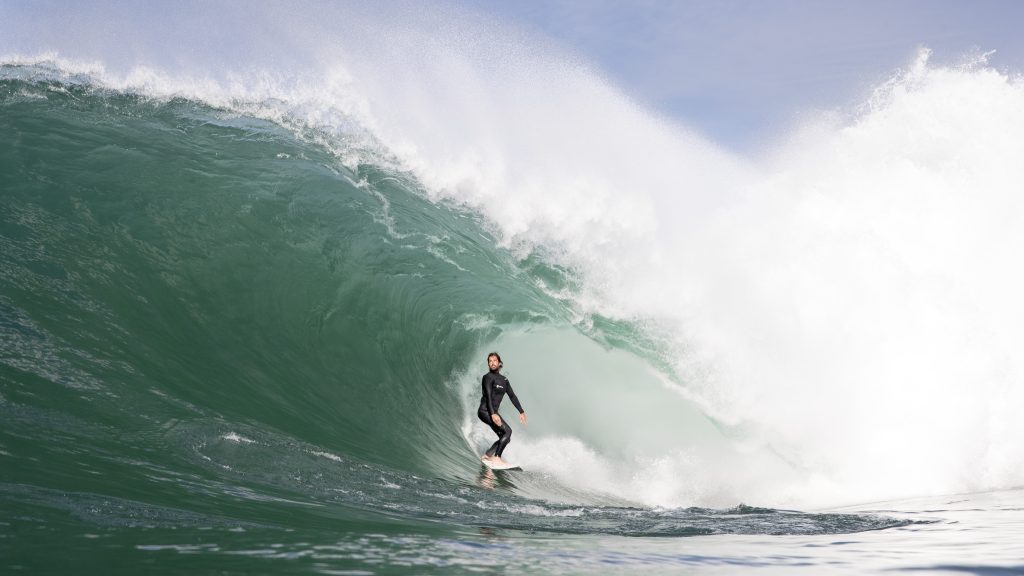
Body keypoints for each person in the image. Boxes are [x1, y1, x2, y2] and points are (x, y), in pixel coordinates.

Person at [478, 352, 527, 466]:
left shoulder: (504, 380)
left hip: (493, 412)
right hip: (485, 411)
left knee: (505, 437)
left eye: (494, 360)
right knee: (508, 432)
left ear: (499, 363)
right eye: (490, 361)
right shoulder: (487, 378)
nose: (492, 363)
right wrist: (493, 414)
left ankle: (488, 455)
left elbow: (512, 396)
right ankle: (497, 457)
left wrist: (521, 411)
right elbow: (489, 396)